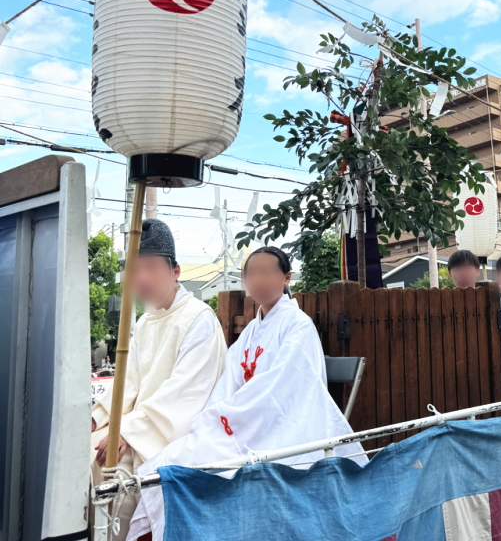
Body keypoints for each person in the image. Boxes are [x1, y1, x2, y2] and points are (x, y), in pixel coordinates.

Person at [128, 247, 367, 541]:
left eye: (267, 272)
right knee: (167, 462)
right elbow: (228, 382)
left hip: (283, 426)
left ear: (286, 278)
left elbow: (282, 388)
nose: (258, 280)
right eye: (251, 274)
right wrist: (218, 418)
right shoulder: (251, 331)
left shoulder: (298, 326)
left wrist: (233, 418)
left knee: (200, 468)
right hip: (244, 423)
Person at [90, 219, 226, 540]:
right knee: (86, 451)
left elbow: (184, 398)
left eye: (151, 267)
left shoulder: (198, 320)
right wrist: (98, 418)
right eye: (135, 270)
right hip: (143, 428)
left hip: (179, 436)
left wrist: (127, 431)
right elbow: (130, 384)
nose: (143, 278)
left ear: (175, 271)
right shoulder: (146, 321)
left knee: (117, 477)